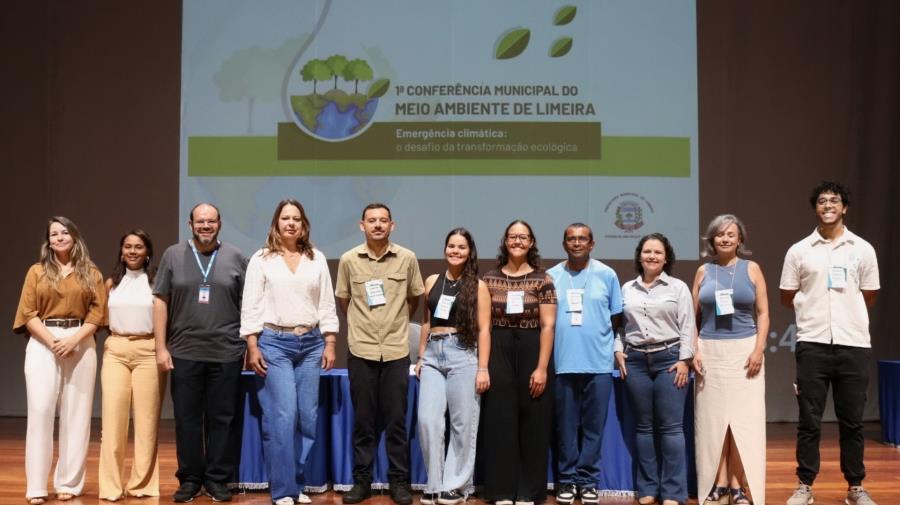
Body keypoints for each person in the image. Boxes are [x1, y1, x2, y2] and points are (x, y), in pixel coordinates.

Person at [780, 182, 880, 505]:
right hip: (813, 343)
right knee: (809, 421)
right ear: (815, 208)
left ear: (844, 207)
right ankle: (805, 486)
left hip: (853, 343)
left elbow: (869, 294)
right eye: (822, 201)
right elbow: (786, 295)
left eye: (834, 200)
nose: (828, 205)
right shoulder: (799, 250)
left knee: (852, 421)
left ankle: (855, 487)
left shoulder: (862, 249)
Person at [241, 199, 339, 505]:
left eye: (296, 218)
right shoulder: (262, 259)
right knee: (283, 416)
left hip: (311, 343)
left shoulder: (316, 258)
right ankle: (283, 489)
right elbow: (251, 304)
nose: (291, 223)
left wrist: (330, 341)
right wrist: (252, 345)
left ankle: (296, 483)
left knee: (307, 417)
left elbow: (326, 303)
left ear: (304, 225)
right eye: (285, 218)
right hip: (274, 342)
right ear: (276, 223)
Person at [153, 203, 248, 502]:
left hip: (227, 352)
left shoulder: (236, 256)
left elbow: (248, 305)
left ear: (219, 223)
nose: (205, 226)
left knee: (223, 419)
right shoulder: (172, 255)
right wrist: (160, 347)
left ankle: (217, 479)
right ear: (190, 224)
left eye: (211, 221)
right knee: (187, 419)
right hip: (184, 351)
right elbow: (160, 301)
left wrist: (249, 345)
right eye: (200, 221)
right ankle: (191, 479)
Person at [335, 203, 425, 505]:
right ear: (362, 225)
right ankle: (362, 482)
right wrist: (364, 325)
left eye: (383, 220)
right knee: (363, 422)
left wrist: (393, 323)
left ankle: (399, 482)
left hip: (397, 351)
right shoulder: (349, 259)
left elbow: (413, 299)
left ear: (392, 225)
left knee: (396, 422)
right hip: (361, 350)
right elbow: (344, 301)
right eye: (371, 220)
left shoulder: (407, 258)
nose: (377, 225)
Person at [14, 216, 106, 504]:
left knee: (76, 415)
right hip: (44, 341)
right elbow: (28, 313)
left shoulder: (91, 272)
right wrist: (53, 341)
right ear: (48, 241)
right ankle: (36, 486)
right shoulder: (37, 271)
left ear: (74, 236)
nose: (59, 237)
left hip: (80, 340)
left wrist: (73, 340)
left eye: (64, 232)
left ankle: (69, 483)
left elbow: (97, 314)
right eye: (54, 234)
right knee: (40, 411)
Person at [691, 215, 768, 505]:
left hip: (745, 352)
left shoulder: (752, 269)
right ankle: (719, 482)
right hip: (709, 351)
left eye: (731, 234)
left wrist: (758, 349)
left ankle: (738, 485)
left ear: (740, 240)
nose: (725, 239)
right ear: (712, 240)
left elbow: (763, 313)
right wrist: (695, 350)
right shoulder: (703, 271)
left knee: (743, 422)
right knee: (713, 423)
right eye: (720, 234)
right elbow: (692, 317)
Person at [480, 219, 557, 505]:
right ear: (505, 241)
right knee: (500, 420)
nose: (517, 241)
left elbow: (548, 326)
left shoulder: (543, 279)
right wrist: (484, 365)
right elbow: (483, 326)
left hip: (532, 348)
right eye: (512, 236)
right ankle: (501, 490)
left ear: (531, 242)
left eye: (523, 237)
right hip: (498, 348)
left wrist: (542, 367)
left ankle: (528, 491)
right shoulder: (488, 279)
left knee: (533, 421)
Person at [614, 233, 693, 505]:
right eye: (647, 251)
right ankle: (648, 488)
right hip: (635, 361)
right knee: (644, 427)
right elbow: (618, 327)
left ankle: (673, 492)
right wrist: (617, 350)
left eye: (658, 252)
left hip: (669, 359)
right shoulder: (627, 288)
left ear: (666, 258)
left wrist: (685, 360)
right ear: (639, 256)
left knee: (671, 428)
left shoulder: (678, 288)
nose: (652, 256)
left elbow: (688, 326)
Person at [415, 228, 491, 505]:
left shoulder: (478, 286)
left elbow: (484, 329)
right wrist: (421, 356)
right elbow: (426, 321)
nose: (455, 251)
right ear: (445, 248)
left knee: (462, 423)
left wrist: (483, 368)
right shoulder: (432, 280)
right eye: (451, 246)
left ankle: (455, 486)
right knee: (427, 420)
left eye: (461, 247)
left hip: (463, 353)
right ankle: (434, 485)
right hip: (433, 355)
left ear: (469, 252)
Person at [548, 223, 622, 505]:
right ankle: (567, 480)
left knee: (593, 428)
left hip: (599, 364)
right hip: (562, 363)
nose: (577, 243)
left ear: (592, 244)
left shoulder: (607, 274)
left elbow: (616, 317)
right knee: (566, 428)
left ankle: (588, 481)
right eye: (571, 239)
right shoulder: (552, 276)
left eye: (582, 239)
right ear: (564, 244)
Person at [99, 229, 166, 501]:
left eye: (138, 246)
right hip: (116, 349)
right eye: (128, 246)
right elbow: (103, 319)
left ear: (147, 252)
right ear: (121, 251)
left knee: (146, 423)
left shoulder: (157, 282)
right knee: (112, 422)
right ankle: (111, 487)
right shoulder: (111, 283)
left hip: (148, 349)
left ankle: (142, 485)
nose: (133, 251)